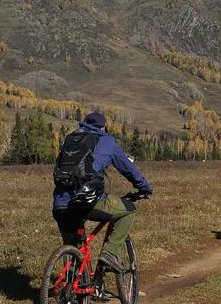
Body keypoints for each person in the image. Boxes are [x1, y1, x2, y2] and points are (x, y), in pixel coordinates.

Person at [52, 112, 153, 275]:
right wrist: (145, 188)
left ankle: (70, 289)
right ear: (103, 127)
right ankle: (110, 253)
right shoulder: (106, 141)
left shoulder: (69, 140)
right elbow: (129, 170)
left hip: (60, 204)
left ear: (84, 124)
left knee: (73, 250)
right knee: (128, 211)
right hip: (88, 201)